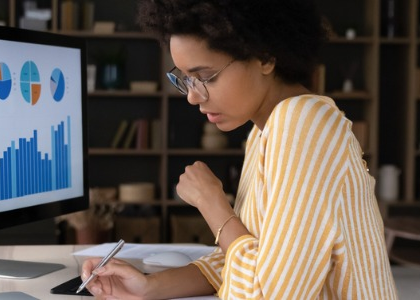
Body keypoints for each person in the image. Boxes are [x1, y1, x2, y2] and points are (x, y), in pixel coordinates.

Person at [80, 0, 398, 298]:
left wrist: (212, 203)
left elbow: (267, 293)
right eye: (187, 80)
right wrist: (149, 287)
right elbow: (243, 259)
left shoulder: (303, 123)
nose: (193, 96)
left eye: (205, 77)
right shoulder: (264, 132)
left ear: (265, 57)